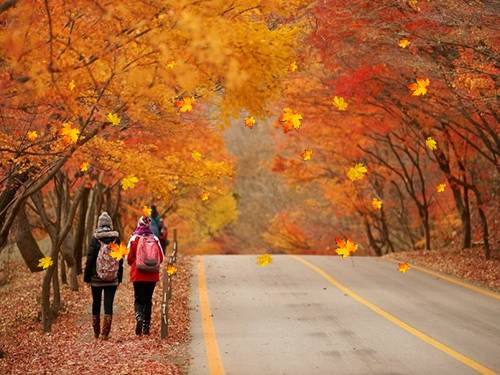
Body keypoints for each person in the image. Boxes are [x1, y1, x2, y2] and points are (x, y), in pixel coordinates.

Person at [84, 212, 123, 340]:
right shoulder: (116, 238)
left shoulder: (95, 238)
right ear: (110, 224)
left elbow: (90, 259)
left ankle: (96, 332)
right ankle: (105, 334)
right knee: (108, 304)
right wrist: (120, 277)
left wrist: (87, 277)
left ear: (99, 224)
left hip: (96, 278)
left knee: (96, 302)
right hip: (112, 278)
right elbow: (120, 259)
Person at [127, 216, 164, 336]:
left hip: (138, 274)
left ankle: (139, 317)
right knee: (148, 300)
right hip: (152, 275)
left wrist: (135, 262)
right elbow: (161, 258)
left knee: (138, 299)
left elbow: (128, 258)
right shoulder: (155, 239)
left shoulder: (134, 238)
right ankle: (146, 328)